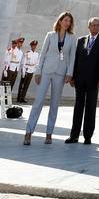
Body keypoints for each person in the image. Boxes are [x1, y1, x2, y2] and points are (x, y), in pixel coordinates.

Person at [24, 12, 76, 145]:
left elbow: (72, 57)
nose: (67, 23)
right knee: (39, 101)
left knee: (54, 104)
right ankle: (28, 132)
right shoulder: (50, 35)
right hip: (46, 71)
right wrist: (38, 71)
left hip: (61, 73)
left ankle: (49, 134)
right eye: (65, 20)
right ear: (59, 21)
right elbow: (42, 54)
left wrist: (69, 74)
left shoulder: (71, 37)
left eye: (69, 21)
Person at [65, 17, 99, 144]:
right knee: (78, 107)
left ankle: (88, 136)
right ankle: (74, 135)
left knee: (91, 108)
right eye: (93, 25)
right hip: (80, 80)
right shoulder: (81, 40)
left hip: (94, 81)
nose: (95, 27)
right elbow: (76, 59)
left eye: (97, 25)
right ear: (89, 27)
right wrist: (72, 77)